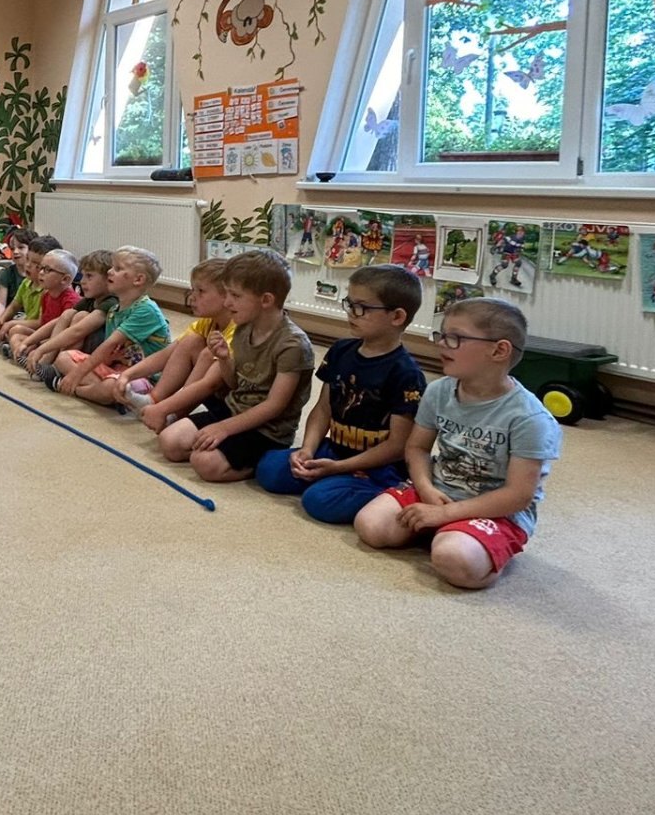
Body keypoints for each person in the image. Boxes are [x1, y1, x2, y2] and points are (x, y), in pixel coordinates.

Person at [353, 296, 561, 589]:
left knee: (455, 560)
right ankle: (446, 530)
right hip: (438, 490)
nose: (442, 344)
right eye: (441, 335)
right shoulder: (439, 391)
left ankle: (471, 541)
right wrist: (426, 488)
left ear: (499, 350)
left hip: (496, 510)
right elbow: (417, 448)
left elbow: (518, 496)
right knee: (370, 526)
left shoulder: (530, 418)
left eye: (455, 338)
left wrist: (445, 514)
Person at [258, 264, 426, 522]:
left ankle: (386, 494)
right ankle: (330, 476)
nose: (351, 313)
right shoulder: (341, 350)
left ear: (397, 316)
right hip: (335, 450)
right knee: (269, 469)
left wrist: (338, 468)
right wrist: (308, 450)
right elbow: (322, 409)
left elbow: (397, 446)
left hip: (378, 467)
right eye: (349, 303)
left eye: (361, 307)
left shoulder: (406, 373)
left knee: (319, 500)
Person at [157, 249, 312, 482]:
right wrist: (224, 359)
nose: (227, 302)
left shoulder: (292, 344)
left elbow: (274, 406)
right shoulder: (243, 327)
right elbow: (234, 384)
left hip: (268, 429)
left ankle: (256, 462)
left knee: (204, 463)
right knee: (170, 442)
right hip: (235, 409)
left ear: (266, 300)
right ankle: (227, 451)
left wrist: (224, 429)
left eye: (235, 296)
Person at [55, 246, 172, 408]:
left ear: (138, 279)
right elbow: (109, 353)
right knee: (63, 358)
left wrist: (76, 375)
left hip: (143, 377)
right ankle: (98, 392)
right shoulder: (114, 310)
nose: (109, 272)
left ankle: (76, 389)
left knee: (113, 387)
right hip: (115, 370)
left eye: (117, 269)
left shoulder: (147, 310)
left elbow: (109, 344)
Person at [125, 257, 234, 428]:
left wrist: (163, 410)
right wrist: (127, 375)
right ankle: (153, 399)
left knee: (208, 353)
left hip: (233, 402)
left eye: (201, 291)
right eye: (192, 290)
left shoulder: (236, 328)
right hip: (213, 393)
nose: (192, 297)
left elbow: (211, 382)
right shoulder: (208, 322)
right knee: (191, 341)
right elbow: (167, 353)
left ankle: (174, 414)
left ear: (227, 296)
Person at [26, 250, 113, 382]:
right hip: (84, 350)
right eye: (82, 276)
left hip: (101, 353)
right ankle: (46, 361)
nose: (82, 282)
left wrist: (42, 349)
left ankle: (59, 367)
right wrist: (28, 342)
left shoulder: (111, 302)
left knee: (81, 316)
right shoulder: (90, 300)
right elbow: (58, 321)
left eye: (89, 276)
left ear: (109, 279)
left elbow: (77, 331)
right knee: (68, 314)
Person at [5, 248, 81, 363]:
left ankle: (28, 359)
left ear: (65, 279)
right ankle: (22, 357)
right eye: (41, 268)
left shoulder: (71, 301)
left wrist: (38, 344)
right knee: (16, 334)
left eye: (47, 270)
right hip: (44, 337)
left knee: (31, 347)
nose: (40, 272)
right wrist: (32, 342)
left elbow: (65, 336)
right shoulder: (46, 295)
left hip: (56, 343)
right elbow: (42, 323)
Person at [0, 233, 59, 353]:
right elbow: (14, 306)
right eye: (28, 259)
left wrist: (11, 323)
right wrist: (2, 319)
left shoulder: (48, 290)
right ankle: (5, 343)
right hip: (26, 323)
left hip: (41, 331)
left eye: (36, 265)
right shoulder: (26, 283)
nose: (28, 265)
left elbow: (41, 323)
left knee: (15, 330)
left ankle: (13, 348)